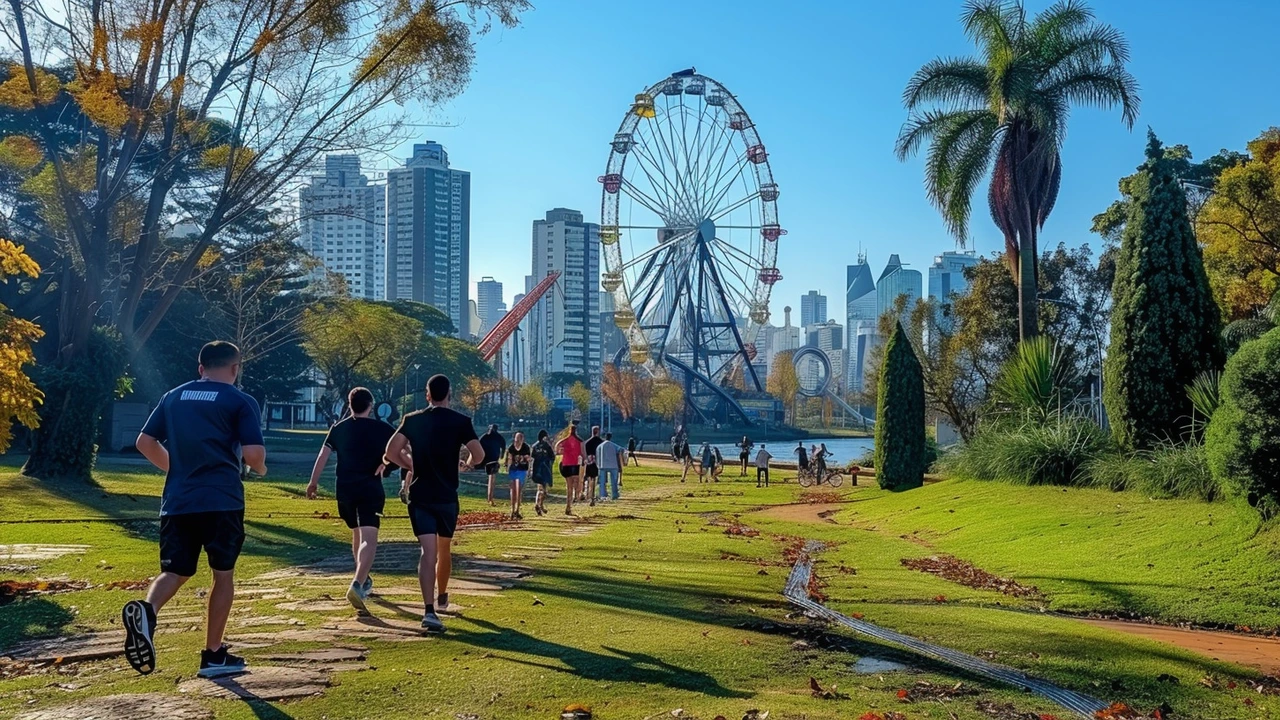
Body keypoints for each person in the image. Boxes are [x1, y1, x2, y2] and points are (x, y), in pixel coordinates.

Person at [123, 341, 265, 678]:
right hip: (221, 501)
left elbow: (145, 442)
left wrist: (176, 468)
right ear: (235, 369)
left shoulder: (173, 397)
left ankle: (148, 609)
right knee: (223, 576)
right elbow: (253, 454)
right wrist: (261, 470)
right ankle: (213, 655)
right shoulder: (240, 401)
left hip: (178, 501)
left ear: (200, 368)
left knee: (176, 571)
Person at [384, 374, 483, 634]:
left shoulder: (412, 420)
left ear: (427, 394)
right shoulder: (461, 422)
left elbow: (390, 452)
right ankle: (442, 594)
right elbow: (480, 453)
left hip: (420, 495)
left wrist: (411, 464)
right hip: (447, 496)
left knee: (428, 552)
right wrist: (468, 463)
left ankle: (428, 611)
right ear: (450, 394)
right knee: (444, 549)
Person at [306, 387, 394, 616]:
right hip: (370, 489)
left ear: (349, 404)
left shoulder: (339, 429)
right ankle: (357, 583)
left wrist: (313, 483)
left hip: (344, 489)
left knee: (356, 532)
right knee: (369, 539)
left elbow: (322, 456)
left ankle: (362, 578)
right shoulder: (382, 429)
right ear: (371, 406)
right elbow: (401, 450)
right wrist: (387, 465)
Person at [556, 422, 584, 515]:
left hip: (566, 464)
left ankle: (568, 505)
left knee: (569, 486)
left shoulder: (564, 441)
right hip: (575, 465)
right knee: (577, 483)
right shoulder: (580, 441)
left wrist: (561, 452)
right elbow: (583, 454)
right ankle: (576, 496)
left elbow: (557, 447)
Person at [505, 432, 531, 520]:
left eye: (520, 438)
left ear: (523, 439)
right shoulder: (511, 448)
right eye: (517, 438)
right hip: (513, 470)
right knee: (513, 490)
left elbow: (528, 459)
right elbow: (509, 459)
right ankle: (512, 510)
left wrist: (529, 468)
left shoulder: (526, 447)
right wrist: (507, 469)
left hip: (522, 470)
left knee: (519, 489)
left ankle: (517, 510)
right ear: (515, 438)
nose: (518, 440)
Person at [530, 429, 555, 516]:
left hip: (538, 470)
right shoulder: (546, 446)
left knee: (541, 489)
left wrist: (531, 470)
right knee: (543, 490)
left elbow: (532, 458)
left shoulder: (534, 446)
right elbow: (552, 457)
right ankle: (538, 504)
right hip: (544, 470)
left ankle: (540, 505)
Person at [480, 425, 506, 507]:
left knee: (492, 478)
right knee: (491, 478)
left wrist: (502, 455)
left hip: (493, 459)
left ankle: (490, 498)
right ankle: (489, 498)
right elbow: (479, 444)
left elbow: (503, 445)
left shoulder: (498, 437)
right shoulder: (485, 436)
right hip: (486, 459)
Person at [597, 432, 624, 501]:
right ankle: (614, 494)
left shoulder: (600, 446)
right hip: (613, 465)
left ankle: (602, 494)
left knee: (602, 481)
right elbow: (621, 450)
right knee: (614, 481)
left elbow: (597, 455)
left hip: (602, 465)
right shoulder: (614, 445)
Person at [583, 425, 604, 507]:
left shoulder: (587, 442)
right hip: (596, 463)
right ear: (598, 431)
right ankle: (592, 497)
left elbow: (585, 453)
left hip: (589, 463)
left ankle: (588, 494)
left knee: (588, 479)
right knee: (594, 479)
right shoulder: (601, 442)